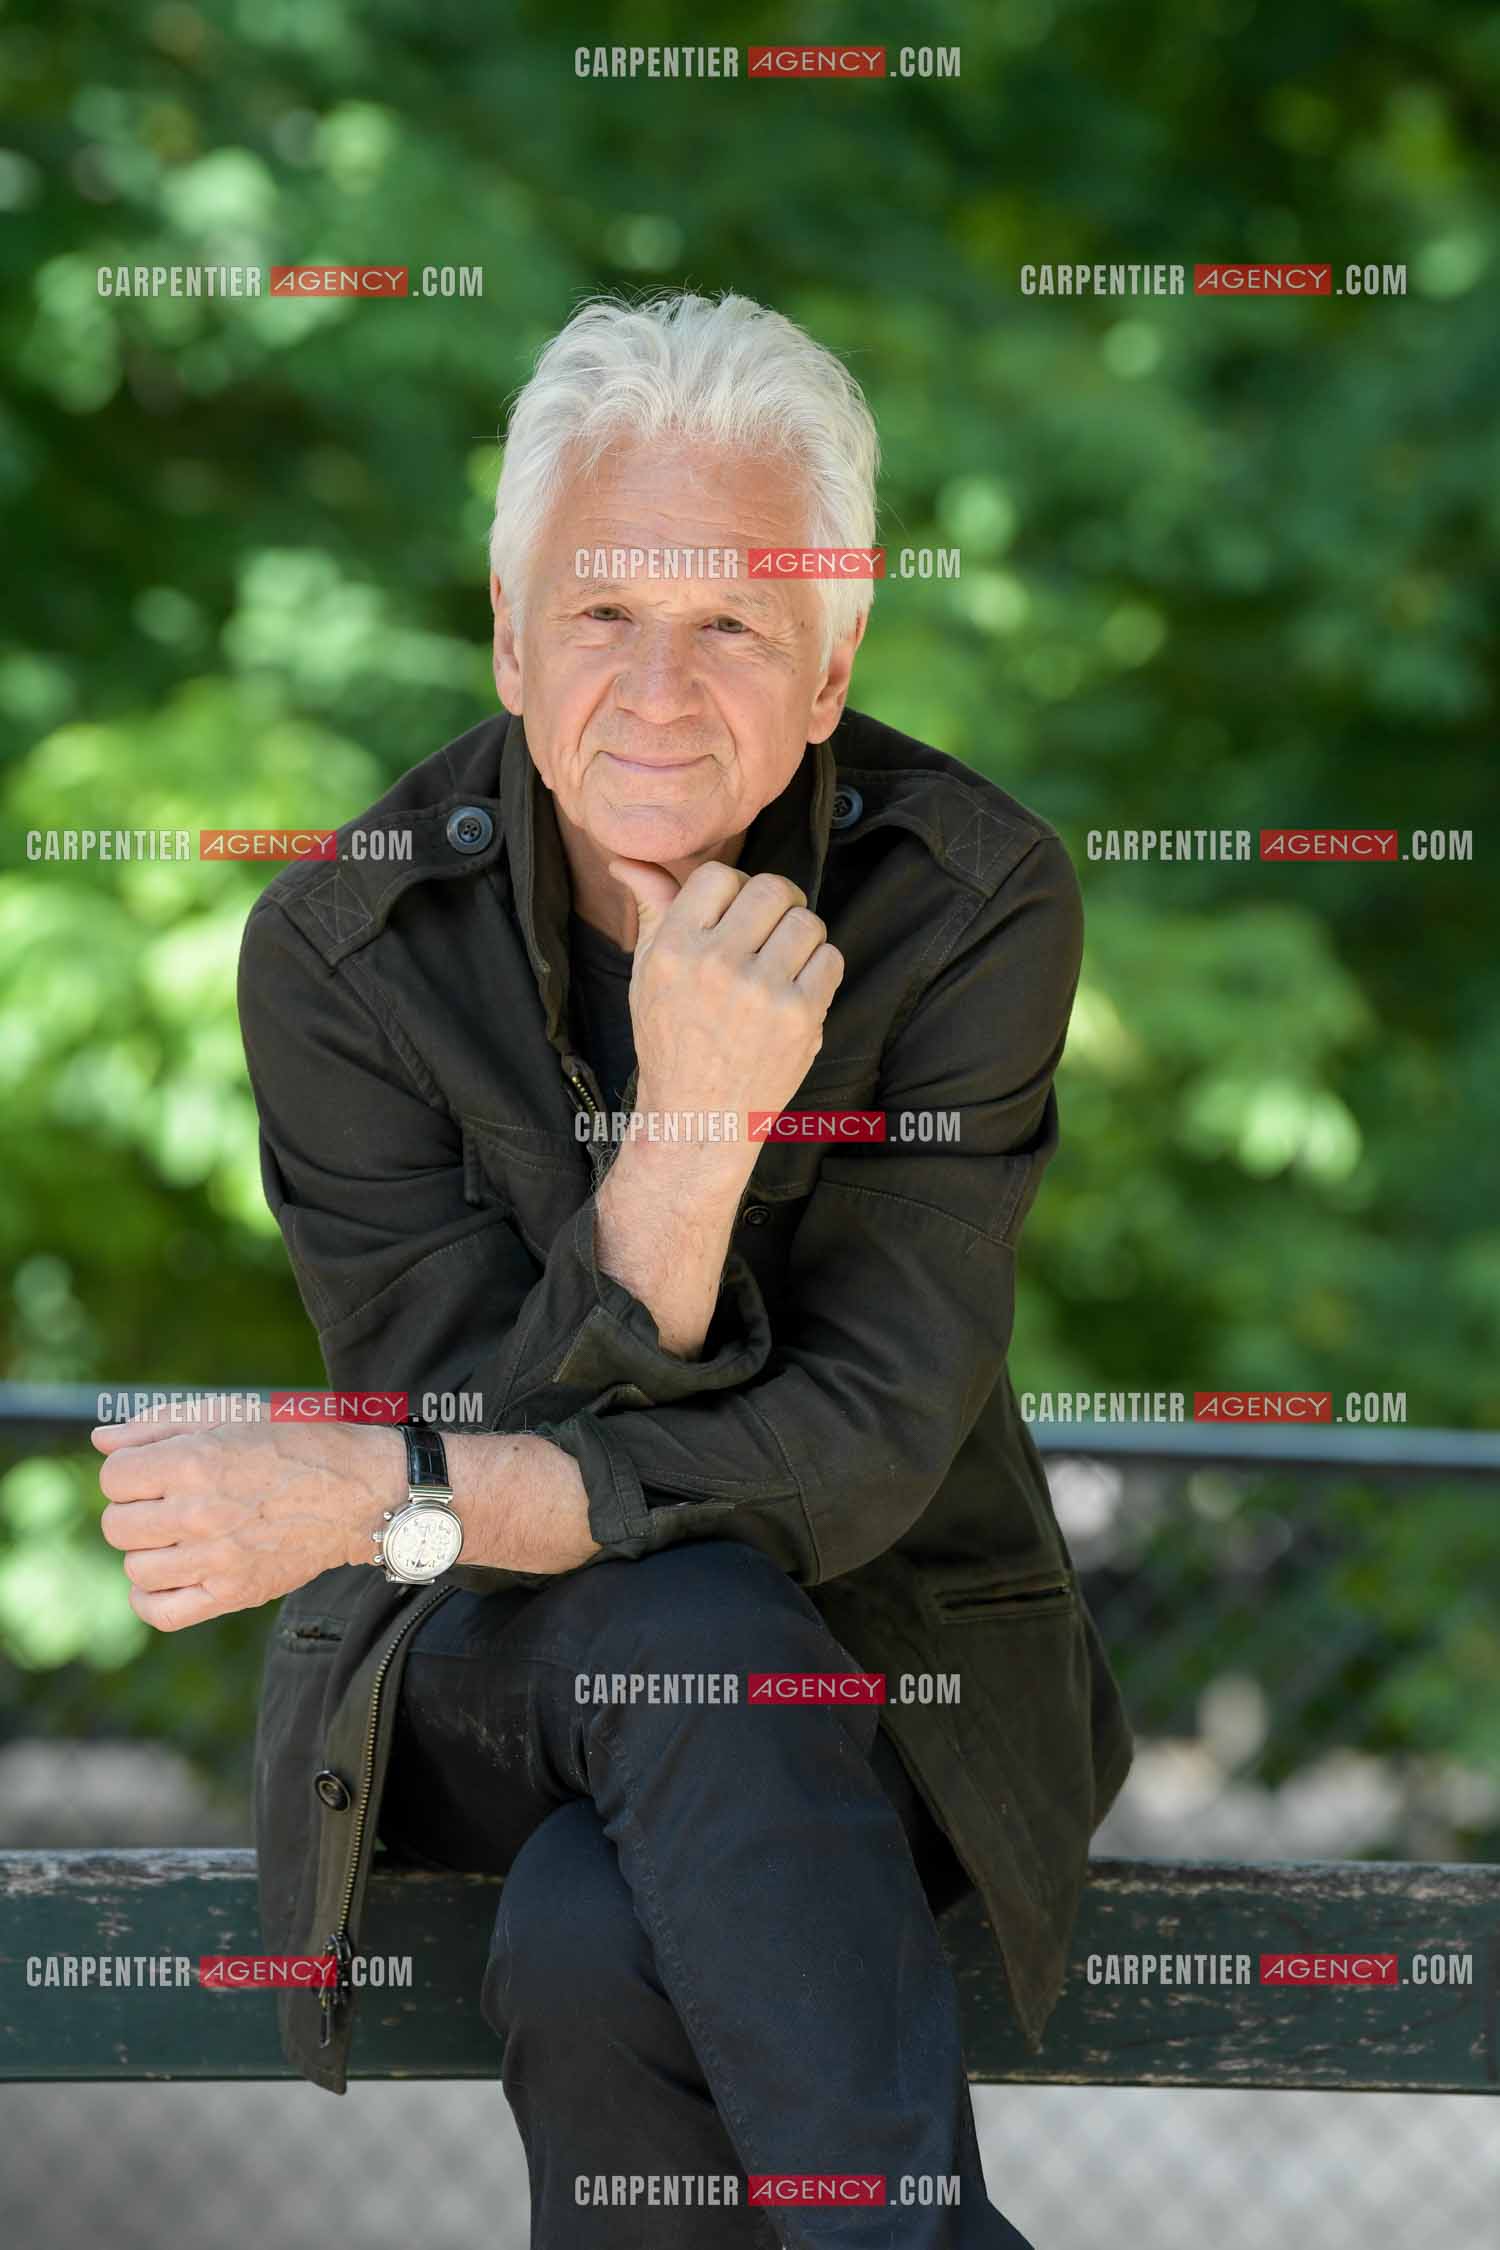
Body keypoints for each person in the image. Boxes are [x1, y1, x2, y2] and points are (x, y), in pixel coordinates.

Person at [95, 290, 1133, 2248]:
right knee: (691, 1627)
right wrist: (689, 1139)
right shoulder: (345, 954)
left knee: (592, 1936)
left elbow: (861, 1455)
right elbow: (475, 1444)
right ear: (508, 637)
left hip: (884, 1671)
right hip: (491, 1670)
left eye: (732, 621)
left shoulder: (972, 898)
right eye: (601, 613)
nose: (659, 687)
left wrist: (382, 1496)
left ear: (832, 668)